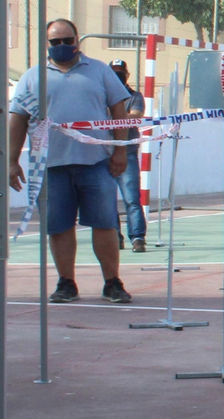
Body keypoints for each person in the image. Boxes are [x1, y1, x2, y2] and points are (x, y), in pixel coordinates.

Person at [7, 18, 135, 303]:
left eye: (67, 40)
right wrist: (12, 160)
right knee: (59, 226)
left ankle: (112, 283)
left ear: (77, 40)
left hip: (97, 164)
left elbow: (118, 112)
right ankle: (66, 283)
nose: (62, 46)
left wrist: (119, 151)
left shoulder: (100, 71)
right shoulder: (33, 77)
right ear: (47, 45)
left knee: (105, 224)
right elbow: (18, 119)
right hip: (50, 167)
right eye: (56, 42)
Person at [107, 59, 148, 252]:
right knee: (106, 199)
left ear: (127, 75)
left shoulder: (134, 96)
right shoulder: (101, 96)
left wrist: (115, 118)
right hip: (103, 152)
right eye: (113, 73)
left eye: (120, 73)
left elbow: (136, 115)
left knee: (131, 198)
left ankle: (137, 237)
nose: (117, 77)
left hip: (127, 153)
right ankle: (114, 237)